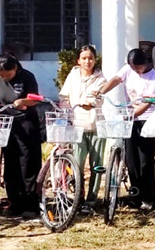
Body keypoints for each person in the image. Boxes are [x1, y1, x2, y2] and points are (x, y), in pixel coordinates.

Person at [0, 54, 42, 219]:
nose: (5, 78)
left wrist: (23, 102)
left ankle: (31, 204)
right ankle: (14, 202)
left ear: (15, 68)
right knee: (11, 164)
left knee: (28, 162)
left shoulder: (27, 76)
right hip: (6, 123)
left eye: (8, 75)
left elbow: (34, 99)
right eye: (2, 75)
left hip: (26, 122)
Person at [98, 49, 155, 211]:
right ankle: (135, 195)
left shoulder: (154, 77)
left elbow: (148, 102)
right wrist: (101, 91)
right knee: (131, 159)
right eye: (133, 68)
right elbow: (116, 79)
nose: (136, 71)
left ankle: (149, 198)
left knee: (145, 160)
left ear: (146, 63)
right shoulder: (128, 69)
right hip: (130, 118)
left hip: (147, 119)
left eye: (138, 68)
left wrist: (132, 114)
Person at [58, 44, 106, 206]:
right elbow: (64, 96)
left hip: (96, 126)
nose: (87, 61)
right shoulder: (73, 75)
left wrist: (90, 103)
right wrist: (65, 107)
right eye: (84, 58)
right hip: (77, 126)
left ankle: (92, 200)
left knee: (96, 166)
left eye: (90, 58)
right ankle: (78, 197)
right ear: (78, 60)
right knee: (77, 165)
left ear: (95, 60)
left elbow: (98, 98)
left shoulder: (101, 78)